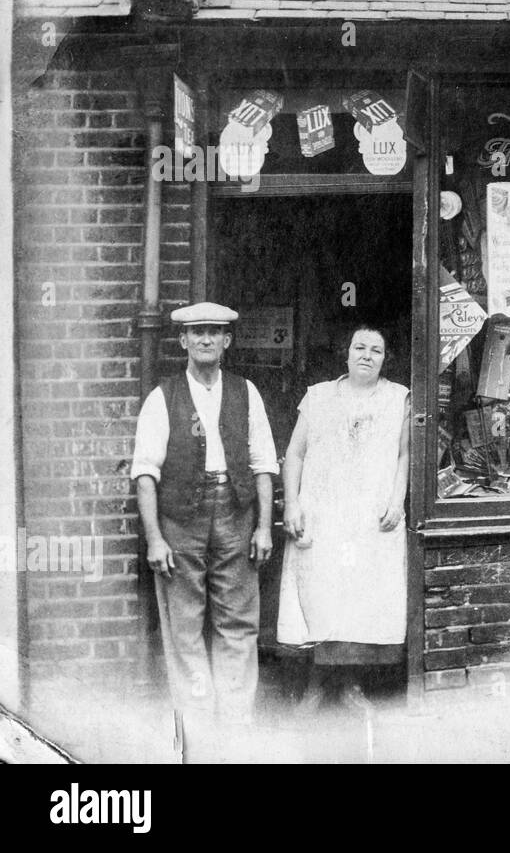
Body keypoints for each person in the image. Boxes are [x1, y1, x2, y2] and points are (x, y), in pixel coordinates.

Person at [130, 303, 278, 729]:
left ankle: (235, 719)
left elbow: (263, 463)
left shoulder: (245, 392)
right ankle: (195, 718)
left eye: (214, 332)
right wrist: (156, 538)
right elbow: (145, 473)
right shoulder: (164, 397)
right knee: (184, 622)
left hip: (235, 512)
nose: (206, 340)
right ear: (183, 341)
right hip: (180, 518)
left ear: (227, 340)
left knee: (238, 620)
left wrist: (264, 527)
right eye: (197, 333)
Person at [277, 325, 411, 711]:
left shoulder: (398, 398)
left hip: (369, 516)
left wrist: (397, 499)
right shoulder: (318, 397)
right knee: (321, 597)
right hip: (324, 514)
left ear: (387, 358)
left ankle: (351, 685)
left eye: (376, 350)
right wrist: (292, 504)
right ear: (346, 352)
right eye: (359, 347)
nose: (367, 355)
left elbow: (404, 455)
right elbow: (296, 454)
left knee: (360, 601)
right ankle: (318, 684)